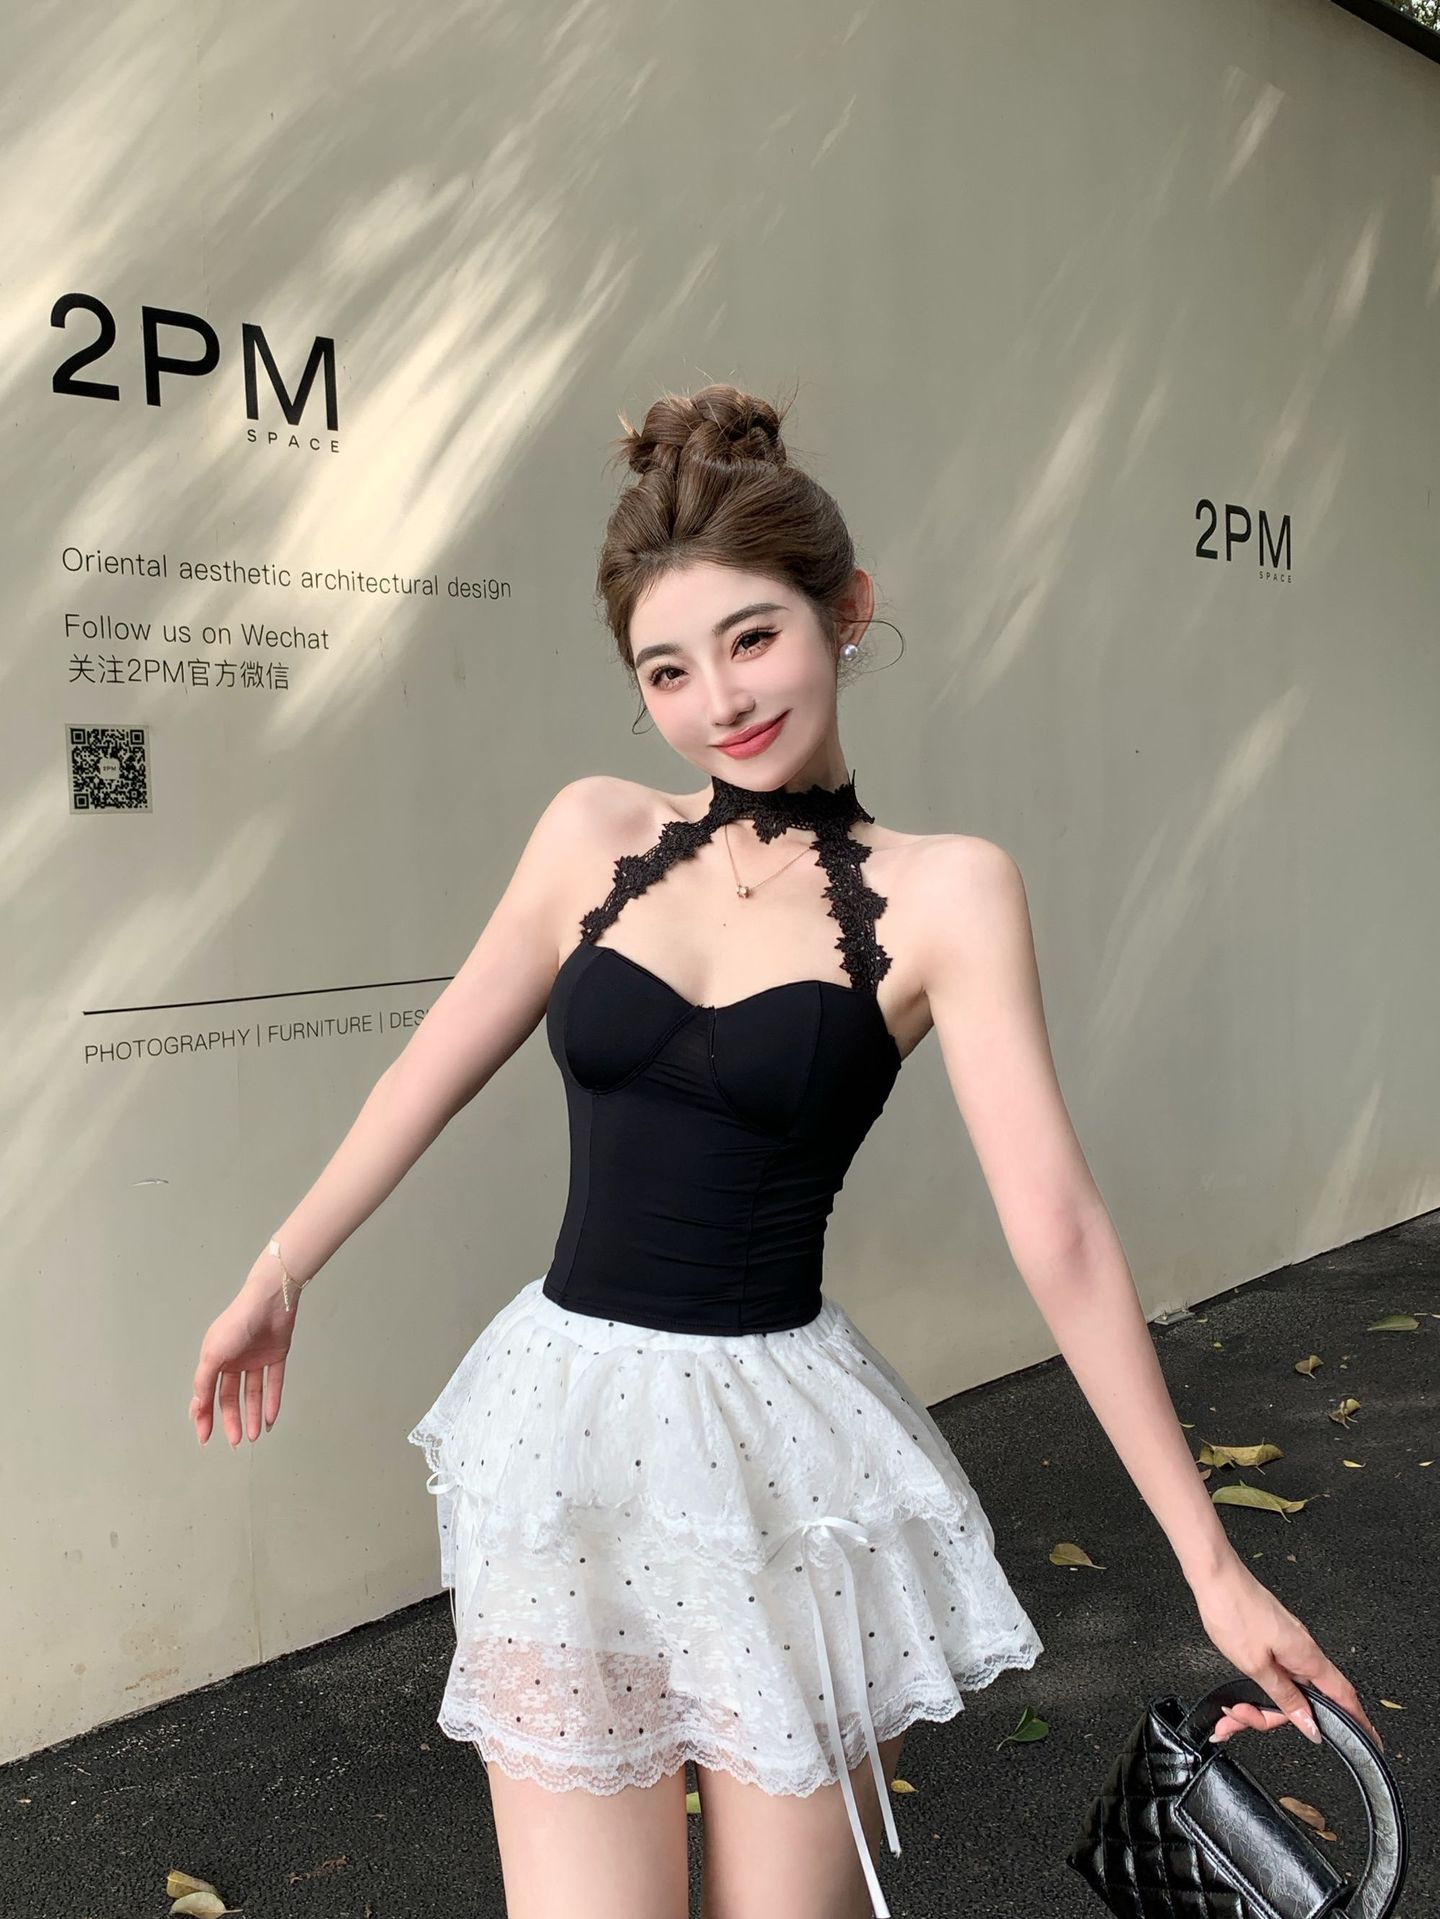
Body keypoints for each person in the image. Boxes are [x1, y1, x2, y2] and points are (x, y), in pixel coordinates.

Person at [190, 383, 1384, 1919]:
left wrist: (1212, 1564)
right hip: (564, 1438)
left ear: (847, 612)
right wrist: (281, 1269)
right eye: (668, 670)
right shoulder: (590, 832)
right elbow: (430, 1067)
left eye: (752, 638)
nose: (720, 700)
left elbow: (1061, 1229)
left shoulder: (951, 892)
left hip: (776, 1465)